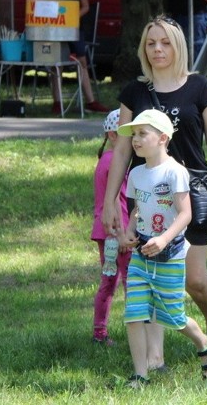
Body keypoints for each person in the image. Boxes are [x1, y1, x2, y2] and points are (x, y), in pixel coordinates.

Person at [101, 17, 207, 365]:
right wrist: (111, 202)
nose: (158, 49)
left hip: (191, 189)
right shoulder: (134, 92)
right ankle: (154, 355)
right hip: (149, 194)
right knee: (150, 272)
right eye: (151, 43)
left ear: (178, 46)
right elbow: (123, 150)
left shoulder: (200, 88)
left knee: (195, 279)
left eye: (165, 42)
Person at [115, 109, 207, 387]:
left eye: (142, 134)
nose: (135, 140)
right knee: (134, 314)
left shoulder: (175, 172)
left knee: (172, 317)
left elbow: (185, 213)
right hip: (141, 255)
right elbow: (137, 210)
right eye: (133, 135)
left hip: (170, 255)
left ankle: (204, 343)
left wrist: (163, 238)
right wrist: (128, 231)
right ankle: (140, 375)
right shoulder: (136, 174)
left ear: (162, 138)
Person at [39, 0, 109, 114]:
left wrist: (71, 17)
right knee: (56, 63)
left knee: (81, 62)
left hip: (74, 27)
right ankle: (57, 102)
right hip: (53, 28)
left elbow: (85, 7)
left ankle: (90, 101)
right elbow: (41, 5)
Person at [91, 109, 131, 346]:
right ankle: (137, 330)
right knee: (130, 280)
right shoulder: (113, 162)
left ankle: (99, 332)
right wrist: (122, 233)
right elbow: (114, 199)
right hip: (117, 231)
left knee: (109, 280)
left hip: (105, 232)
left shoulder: (105, 159)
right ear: (113, 134)